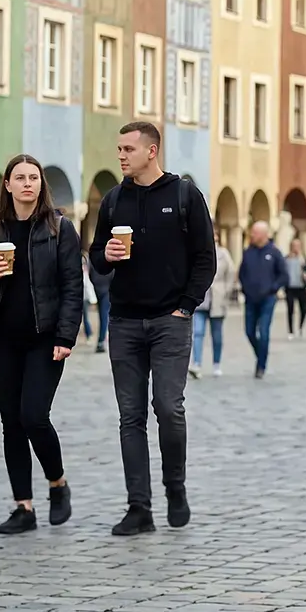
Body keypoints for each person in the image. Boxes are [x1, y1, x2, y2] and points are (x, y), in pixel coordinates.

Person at [89, 122, 215, 537]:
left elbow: (205, 258)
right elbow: (97, 259)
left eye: (128, 149)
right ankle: (138, 507)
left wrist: (185, 306)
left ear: (152, 151)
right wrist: (105, 255)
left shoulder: (184, 195)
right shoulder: (113, 200)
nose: (121, 155)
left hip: (169, 322)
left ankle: (174, 488)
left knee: (168, 407)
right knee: (130, 417)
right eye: (119, 148)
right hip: (123, 321)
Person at [0, 157, 81, 534]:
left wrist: (66, 336)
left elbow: (72, 287)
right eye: (20, 178)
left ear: (41, 185)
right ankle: (24, 507)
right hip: (2, 339)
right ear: (7, 184)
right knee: (11, 424)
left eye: (34, 178)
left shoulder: (60, 229)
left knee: (34, 416)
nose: (28, 184)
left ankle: (58, 484)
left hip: (44, 339)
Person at [239, 222, 288, 378]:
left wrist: (273, 288)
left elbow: (283, 275)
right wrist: (245, 288)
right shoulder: (248, 252)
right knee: (249, 331)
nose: (251, 235)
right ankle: (261, 355)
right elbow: (242, 273)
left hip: (268, 299)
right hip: (250, 299)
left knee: (264, 332)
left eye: (254, 232)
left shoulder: (274, 253)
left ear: (263, 234)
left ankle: (261, 365)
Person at [191, 235, 236, 378]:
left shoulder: (223, 254)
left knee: (216, 335)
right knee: (197, 332)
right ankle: (196, 363)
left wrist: (226, 291)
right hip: (200, 300)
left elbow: (231, 273)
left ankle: (216, 364)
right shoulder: (196, 252)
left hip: (218, 299)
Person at [285, 236, 306, 339]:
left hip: (301, 287)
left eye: (298, 246)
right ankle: (290, 331)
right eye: (294, 245)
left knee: (304, 309)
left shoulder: (303, 259)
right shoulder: (286, 259)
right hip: (290, 287)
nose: (296, 247)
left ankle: (300, 327)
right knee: (290, 309)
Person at [88, 254, 113, 353]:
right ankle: (101, 341)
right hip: (106, 288)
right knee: (104, 315)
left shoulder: (96, 257)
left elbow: (91, 273)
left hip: (98, 288)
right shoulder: (108, 257)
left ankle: (101, 339)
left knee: (102, 314)